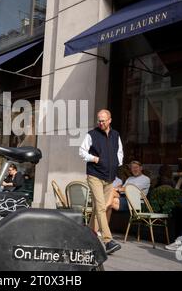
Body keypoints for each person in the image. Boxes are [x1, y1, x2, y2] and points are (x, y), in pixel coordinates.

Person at [79, 109, 123, 255]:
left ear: (110, 120)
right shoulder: (91, 134)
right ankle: (107, 241)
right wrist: (95, 159)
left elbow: (119, 152)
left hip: (109, 177)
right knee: (101, 207)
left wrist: (117, 163)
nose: (101, 122)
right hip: (95, 175)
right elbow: (82, 152)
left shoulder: (116, 135)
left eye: (103, 120)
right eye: (99, 120)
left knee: (100, 208)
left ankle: (86, 238)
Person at [105, 161, 151, 225]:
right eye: (132, 168)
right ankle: (104, 228)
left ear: (141, 168)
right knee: (110, 193)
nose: (134, 169)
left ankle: (102, 221)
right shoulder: (130, 178)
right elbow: (122, 189)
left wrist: (117, 189)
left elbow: (130, 189)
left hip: (135, 202)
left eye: (136, 167)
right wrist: (116, 189)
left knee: (109, 201)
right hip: (125, 198)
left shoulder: (145, 179)